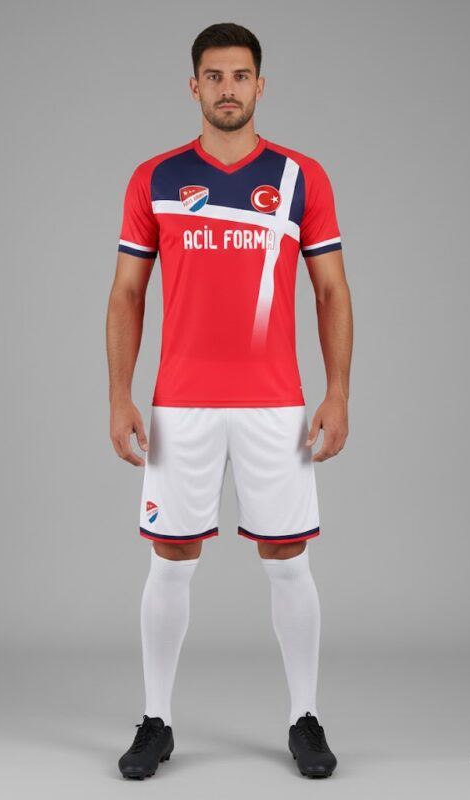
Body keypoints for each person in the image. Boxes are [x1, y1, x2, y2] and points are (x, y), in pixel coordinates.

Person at [106, 21, 353, 780]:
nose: (227, 89)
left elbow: (332, 290)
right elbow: (126, 294)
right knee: (171, 558)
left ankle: (305, 718)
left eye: (240, 76)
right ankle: (156, 721)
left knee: (287, 558)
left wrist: (338, 392)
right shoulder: (154, 178)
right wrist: (119, 396)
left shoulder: (301, 178)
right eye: (213, 76)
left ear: (260, 85)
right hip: (180, 404)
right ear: (194, 86)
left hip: (275, 404)